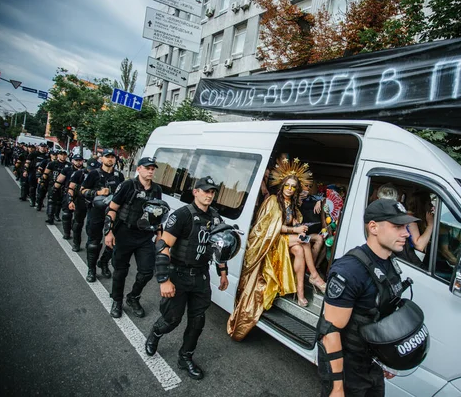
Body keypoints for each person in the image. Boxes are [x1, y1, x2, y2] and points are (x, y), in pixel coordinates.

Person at [317, 199, 428, 397]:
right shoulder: (350, 271)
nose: (406, 233)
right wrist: (337, 388)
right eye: (397, 226)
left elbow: (384, 314)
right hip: (348, 371)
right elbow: (329, 333)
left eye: (405, 226)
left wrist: (387, 358)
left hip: (373, 365)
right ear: (373, 227)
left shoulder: (390, 262)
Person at [228, 158, 327, 341]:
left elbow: (294, 223)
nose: (290, 189)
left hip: (286, 240)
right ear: (282, 186)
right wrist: (294, 230)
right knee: (303, 243)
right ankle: (314, 276)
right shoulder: (273, 200)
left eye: (293, 187)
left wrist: (300, 226)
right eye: (287, 185)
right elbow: (271, 227)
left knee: (299, 248)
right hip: (270, 242)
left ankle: (300, 293)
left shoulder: (294, 205)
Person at [144, 176, 231, 380]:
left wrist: (223, 272)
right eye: (206, 191)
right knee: (172, 319)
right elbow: (163, 246)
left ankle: (185, 357)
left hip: (201, 277)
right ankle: (155, 334)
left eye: (212, 192)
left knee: (197, 322)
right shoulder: (182, 215)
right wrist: (164, 279)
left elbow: (221, 246)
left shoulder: (216, 218)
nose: (210, 195)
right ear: (196, 192)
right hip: (178, 275)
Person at [104, 157, 166, 318]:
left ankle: (133, 297)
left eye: (153, 168)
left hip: (145, 236)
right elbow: (112, 209)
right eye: (147, 168)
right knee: (120, 271)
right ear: (139, 169)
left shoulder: (157, 190)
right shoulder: (127, 185)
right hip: (124, 233)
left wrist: (160, 235)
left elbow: (158, 214)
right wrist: (109, 232)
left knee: (146, 271)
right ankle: (117, 301)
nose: (151, 171)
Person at [80, 148, 125, 282]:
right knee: (94, 243)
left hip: (113, 214)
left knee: (113, 242)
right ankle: (91, 269)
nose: (110, 159)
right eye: (107, 156)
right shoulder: (94, 174)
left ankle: (104, 262)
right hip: (96, 212)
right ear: (102, 159)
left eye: (112, 157)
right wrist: (97, 193)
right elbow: (82, 190)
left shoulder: (119, 175)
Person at [68, 158, 99, 252]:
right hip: (80, 200)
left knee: (91, 225)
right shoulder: (79, 173)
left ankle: (89, 243)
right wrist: (70, 200)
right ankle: (76, 243)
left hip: (93, 202)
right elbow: (71, 188)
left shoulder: (98, 174)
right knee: (77, 223)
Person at [53, 154, 85, 239]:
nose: (78, 162)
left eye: (80, 160)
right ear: (73, 161)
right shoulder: (67, 169)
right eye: (76, 160)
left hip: (81, 196)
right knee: (67, 214)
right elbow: (59, 180)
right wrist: (54, 190)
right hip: (69, 193)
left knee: (78, 218)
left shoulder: (86, 171)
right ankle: (66, 233)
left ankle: (75, 232)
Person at [43, 150, 70, 224]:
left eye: (64, 155)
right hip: (53, 184)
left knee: (59, 202)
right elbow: (45, 173)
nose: (63, 156)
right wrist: (42, 182)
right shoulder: (52, 164)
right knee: (51, 200)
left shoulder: (69, 165)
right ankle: (50, 217)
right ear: (58, 155)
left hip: (64, 186)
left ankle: (56, 215)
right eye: (61, 154)